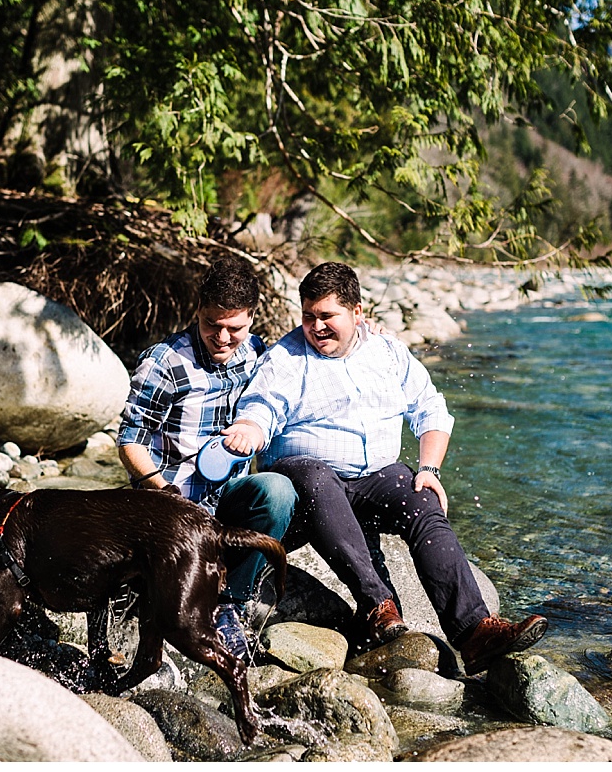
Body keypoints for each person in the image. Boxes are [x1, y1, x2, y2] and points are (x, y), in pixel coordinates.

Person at [222, 261, 547, 674]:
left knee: (419, 496)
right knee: (314, 474)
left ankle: (474, 632)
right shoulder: (286, 358)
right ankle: (377, 605)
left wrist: (429, 468)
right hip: (306, 488)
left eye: (327, 316)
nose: (316, 326)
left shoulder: (388, 351)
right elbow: (263, 406)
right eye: (308, 316)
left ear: (357, 314)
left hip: (373, 479)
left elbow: (430, 409)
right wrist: (250, 428)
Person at [117, 256, 296, 662]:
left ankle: (229, 604)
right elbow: (129, 441)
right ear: (197, 310)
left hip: (226, 497)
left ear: (252, 317)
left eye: (235, 328)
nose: (222, 337)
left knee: (279, 492)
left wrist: (366, 331)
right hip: (171, 501)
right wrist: (163, 492)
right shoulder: (164, 362)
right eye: (212, 324)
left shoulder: (257, 353)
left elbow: (313, 351)